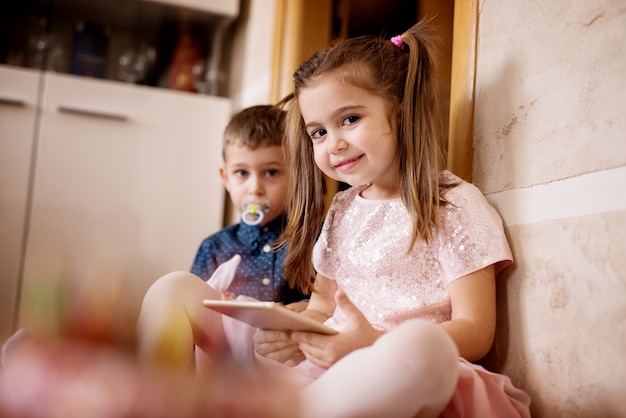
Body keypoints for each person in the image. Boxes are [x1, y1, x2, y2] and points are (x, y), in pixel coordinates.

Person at [138, 21, 532, 417]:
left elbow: (477, 331)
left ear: (400, 112)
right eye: (318, 133)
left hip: (387, 368)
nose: (334, 143)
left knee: (420, 347)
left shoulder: (453, 204)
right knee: (174, 290)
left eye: (349, 120)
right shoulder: (343, 209)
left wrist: (370, 344)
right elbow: (322, 306)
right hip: (322, 366)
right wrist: (294, 333)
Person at [138, 104, 306, 370]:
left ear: (297, 175)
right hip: (224, 360)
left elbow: (323, 304)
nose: (255, 188)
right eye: (242, 173)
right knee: (174, 289)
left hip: (280, 360)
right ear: (225, 178)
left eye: (271, 173)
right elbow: (190, 321)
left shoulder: (309, 239)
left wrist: (300, 311)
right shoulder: (214, 246)